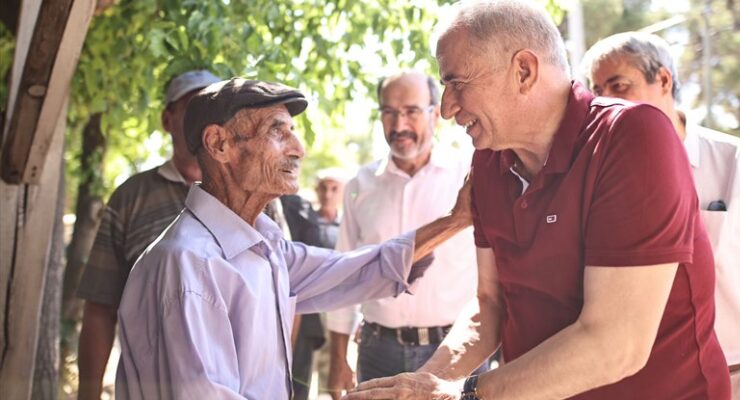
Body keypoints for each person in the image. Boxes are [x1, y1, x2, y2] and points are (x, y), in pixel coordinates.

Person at [345, 1, 730, 399]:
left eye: (457, 82)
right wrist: (420, 386)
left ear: (524, 71)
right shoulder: (490, 161)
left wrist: (461, 395)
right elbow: (490, 305)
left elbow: (616, 344)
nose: (447, 109)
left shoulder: (631, 136)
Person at [115, 77, 474, 399]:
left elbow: (355, 270)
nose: (298, 148)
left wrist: (456, 219)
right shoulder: (189, 264)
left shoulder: (264, 247)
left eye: (292, 130)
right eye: (277, 131)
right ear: (219, 144)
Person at [580, 31, 740, 400]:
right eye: (596, 89)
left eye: (618, 85)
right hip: (635, 384)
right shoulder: (597, 179)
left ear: (664, 80)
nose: (604, 100)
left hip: (734, 380)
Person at [326, 71, 480, 399]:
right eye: (389, 113)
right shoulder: (359, 186)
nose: (399, 126)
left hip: (456, 350)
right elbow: (344, 275)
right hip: (378, 351)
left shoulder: (467, 177)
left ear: (434, 115)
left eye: (411, 111)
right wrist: (338, 357)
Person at [76, 69, 220, 400]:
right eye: (193, 109)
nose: (205, 121)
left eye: (214, 109)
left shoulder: (255, 197)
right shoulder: (131, 198)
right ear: (168, 119)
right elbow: (100, 307)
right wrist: (88, 393)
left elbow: (284, 297)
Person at [280, 168, 348, 400]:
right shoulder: (304, 223)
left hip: (339, 312)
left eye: (334, 188)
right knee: (300, 378)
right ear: (316, 190)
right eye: (323, 187)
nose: (328, 194)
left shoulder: (347, 227)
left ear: (343, 192)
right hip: (307, 316)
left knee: (335, 382)